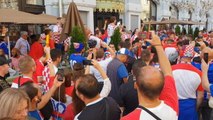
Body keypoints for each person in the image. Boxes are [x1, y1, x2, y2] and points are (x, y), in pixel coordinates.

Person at [122, 31, 178, 120]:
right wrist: (158, 46)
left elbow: (168, 72)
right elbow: (168, 72)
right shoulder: (171, 107)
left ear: (136, 85)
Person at [172, 42, 204, 120]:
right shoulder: (199, 73)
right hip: (190, 107)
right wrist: (195, 107)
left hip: (173, 105)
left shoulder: (170, 70)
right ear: (192, 55)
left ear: (181, 54)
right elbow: (200, 96)